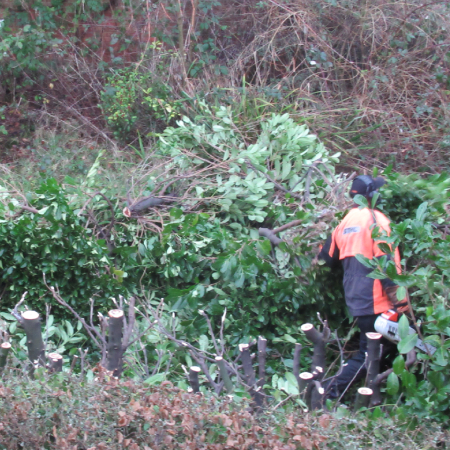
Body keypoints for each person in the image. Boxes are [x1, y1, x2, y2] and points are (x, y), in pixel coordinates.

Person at [318, 174, 403, 398]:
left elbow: (325, 259)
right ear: (371, 195)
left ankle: (370, 395)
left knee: (376, 351)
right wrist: (401, 302)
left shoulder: (344, 223)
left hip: (356, 300)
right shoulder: (378, 221)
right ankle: (328, 392)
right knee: (369, 354)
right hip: (378, 301)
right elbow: (386, 264)